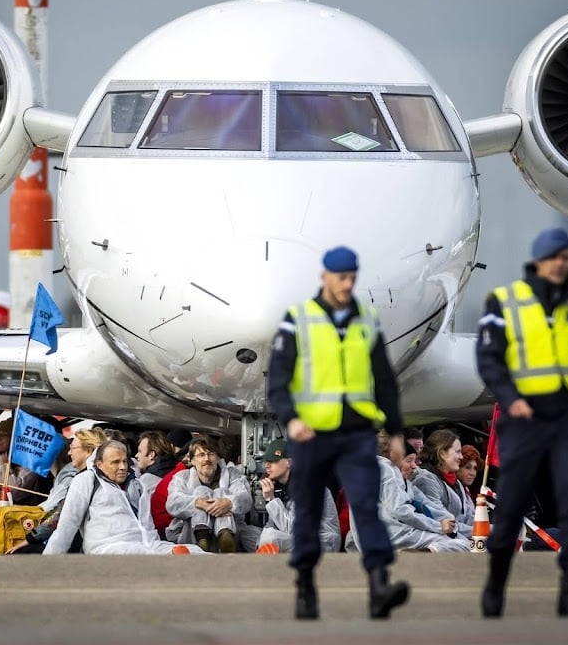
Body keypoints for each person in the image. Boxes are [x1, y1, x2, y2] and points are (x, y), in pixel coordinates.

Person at [476, 227, 568, 618]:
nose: (561, 264)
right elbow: (488, 359)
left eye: (566, 258)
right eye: (554, 257)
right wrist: (510, 398)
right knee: (513, 507)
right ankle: (495, 586)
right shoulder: (505, 301)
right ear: (538, 261)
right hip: (525, 419)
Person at [267, 245, 409, 620]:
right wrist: (290, 418)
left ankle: (380, 585)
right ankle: (305, 587)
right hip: (311, 435)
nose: (347, 285)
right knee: (309, 510)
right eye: (341, 278)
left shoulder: (367, 320)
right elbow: (278, 381)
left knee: (366, 505)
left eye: (352, 278)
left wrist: (395, 431)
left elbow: (384, 379)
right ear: (324, 277)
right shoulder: (298, 319)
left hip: (356, 433)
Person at [43, 440, 204, 555]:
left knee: (196, 552)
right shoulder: (86, 480)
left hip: (146, 545)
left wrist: (162, 548)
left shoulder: (138, 486)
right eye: (115, 462)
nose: (122, 467)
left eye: (125, 461)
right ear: (99, 464)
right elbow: (66, 528)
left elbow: (148, 527)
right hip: (108, 548)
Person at [7, 427, 106, 554]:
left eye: (73, 448)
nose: (69, 453)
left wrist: (30, 539)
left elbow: (61, 516)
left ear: (88, 451)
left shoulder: (84, 479)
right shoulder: (98, 477)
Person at [164, 435, 253, 553]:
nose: (206, 459)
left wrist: (228, 503)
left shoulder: (233, 474)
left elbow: (245, 498)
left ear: (218, 457)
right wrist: (197, 503)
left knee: (221, 493)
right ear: (192, 461)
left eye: (211, 454)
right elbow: (172, 502)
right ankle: (202, 538)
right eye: (201, 455)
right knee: (200, 492)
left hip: (233, 535)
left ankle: (225, 536)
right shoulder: (182, 477)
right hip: (190, 536)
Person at [256, 438, 340, 554]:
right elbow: (272, 525)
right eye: (266, 461)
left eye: (273, 461)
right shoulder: (281, 486)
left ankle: (265, 568)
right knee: (248, 532)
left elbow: (293, 529)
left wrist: (270, 499)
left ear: (289, 462)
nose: (267, 465)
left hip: (322, 542)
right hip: (297, 540)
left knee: (269, 536)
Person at [135, 430, 178, 496]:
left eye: (140, 451)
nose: (136, 455)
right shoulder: (179, 473)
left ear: (151, 455)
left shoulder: (145, 482)